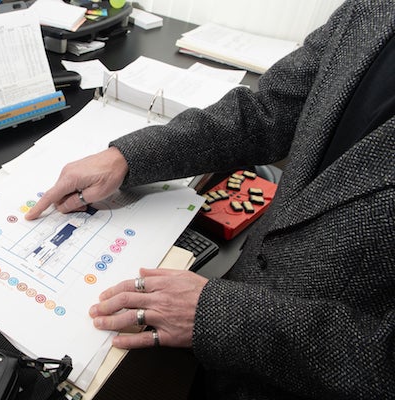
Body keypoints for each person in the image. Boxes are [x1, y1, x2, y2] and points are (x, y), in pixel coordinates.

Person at [26, 0, 395, 398]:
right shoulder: (374, 8)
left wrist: (223, 316)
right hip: (231, 321)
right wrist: (127, 157)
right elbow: (267, 111)